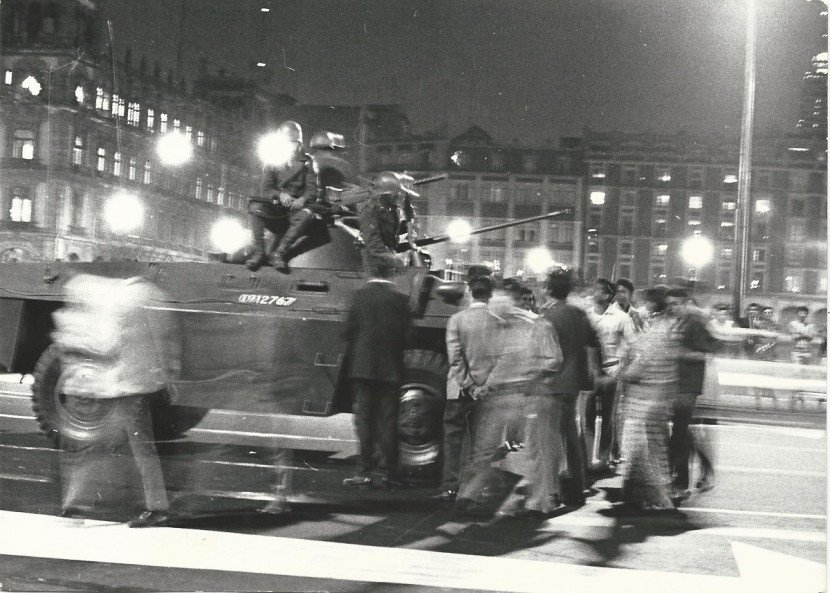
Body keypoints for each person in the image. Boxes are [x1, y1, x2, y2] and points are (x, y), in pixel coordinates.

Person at [52, 274, 179, 527]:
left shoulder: (118, 297)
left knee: (95, 443)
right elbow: (164, 343)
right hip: (132, 386)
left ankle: (74, 505)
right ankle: (156, 508)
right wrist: (169, 380)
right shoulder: (153, 296)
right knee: (142, 448)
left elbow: (105, 342)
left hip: (113, 384)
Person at [459, 289, 562, 517]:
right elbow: (503, 360)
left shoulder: (537, 326)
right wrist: (489, 385)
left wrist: (533, 376)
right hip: (505, 395)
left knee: (536, 451)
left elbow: (553, 359)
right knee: (486, 446)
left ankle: (540, 501)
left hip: (531, 395)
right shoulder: (502, 326)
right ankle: (470, 493)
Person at [531, 267, 601, 509]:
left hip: (551, 384)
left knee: (549, 442)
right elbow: (594, 343)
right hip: (573, 384)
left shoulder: (547, 317)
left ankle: (551, 491)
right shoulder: (578, 314)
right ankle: (577, 487)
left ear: (549, 289)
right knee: (572, 437)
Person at [342, 258, 413, 488]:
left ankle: (364, 472)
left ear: (371, 270)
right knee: (388, 421)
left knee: (364, 421)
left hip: (362, 369)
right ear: (391, 273)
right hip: (390, 369)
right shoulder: (400, 300)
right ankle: (390, 473)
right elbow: (409, 337)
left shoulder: (358, 296)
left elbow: (346, 332)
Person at [435, 272, 500, 502]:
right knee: (482, 442)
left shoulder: (457, 320)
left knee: (453, 439)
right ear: (490, 294)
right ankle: (477, 488)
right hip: (487, 392)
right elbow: (502, 360)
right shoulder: (499, 323)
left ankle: (451, 486)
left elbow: (454, 357)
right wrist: (484, 385)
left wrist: (468, 384)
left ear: (470, 292)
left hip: (459, 390)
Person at [616, 286, 680, 512]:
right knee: (653, 450)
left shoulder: (655, 334)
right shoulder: (667, 330)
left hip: (646, 401)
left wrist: (620, 373)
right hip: (658, 398)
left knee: (648, 451)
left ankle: (660, 499)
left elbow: (638, 367)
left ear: (652, 306)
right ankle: (647, 495)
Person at [246, 120, 319, 273]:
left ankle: (279, 252)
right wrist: (280, 195)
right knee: (256, 208)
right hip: (277, 207)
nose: (289, 146)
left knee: (306, 215)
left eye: (292, 142)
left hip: (295, 209)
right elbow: (266, 188)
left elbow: (312, 189)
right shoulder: (272, 160)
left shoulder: (307, 162)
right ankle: (259, 252)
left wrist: (302, 200)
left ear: (298, 143)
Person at [666, 287, 719, 497]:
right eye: (669, 304)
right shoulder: (681, 323)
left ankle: (681, 484)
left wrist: (680, 353)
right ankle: (704, 472)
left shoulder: (694, 324)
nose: (671, 308)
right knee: (683, 434)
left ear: (686, 303)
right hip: (677, 385)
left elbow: (707, 352)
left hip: (689, 387)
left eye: (675, 304)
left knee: (679, 435)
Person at [586, 278, 636, 469]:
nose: (594, 293)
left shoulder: (621, 318)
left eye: (598, 291)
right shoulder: (587, 315)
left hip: (612, 371)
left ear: (607, 295)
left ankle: (604, 458)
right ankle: (586, 457)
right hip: (590, 373)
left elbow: (633, 346)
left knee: (608, 418)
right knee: (587, 417)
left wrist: (621, 372)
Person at [359, 171, 416, 276]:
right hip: (373, 268)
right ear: (383, 195)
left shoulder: (393, 210)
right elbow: (374, 247)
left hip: (388, 263)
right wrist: (396, 260)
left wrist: (410, 229)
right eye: (394, 195)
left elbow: (395, 230)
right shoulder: (370, 212)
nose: (397, 197)